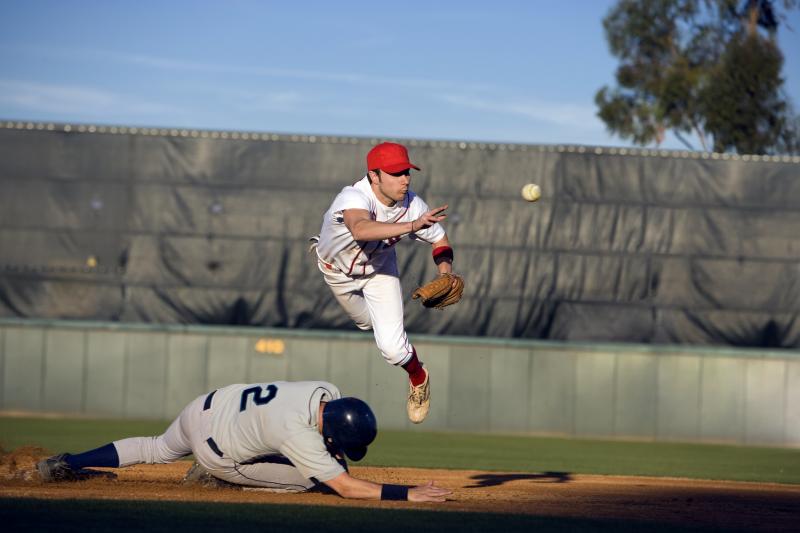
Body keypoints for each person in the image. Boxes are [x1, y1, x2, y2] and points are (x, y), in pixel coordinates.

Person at [36, 380, 451, 502]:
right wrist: (406, 493)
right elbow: (345, 487)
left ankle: (67, 462)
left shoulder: (325, 388)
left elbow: (316, 427)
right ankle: (217, 478)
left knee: (156, 448)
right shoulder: (296, 433)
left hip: (206, 405)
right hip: (217, 453)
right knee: (319, 478)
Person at [311, 142, 457, 424]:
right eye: (395, 173)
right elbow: (361, 228)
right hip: (336, 272)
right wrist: (412, 226)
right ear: (374, 176)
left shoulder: (413, 204)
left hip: (380, 270)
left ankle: (418, 376)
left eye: (406, 172)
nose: (404, 179)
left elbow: (440, 238)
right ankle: (379, 328)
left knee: (392, 348)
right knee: (366, 323)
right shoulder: (353, 196)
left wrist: (445, 273)